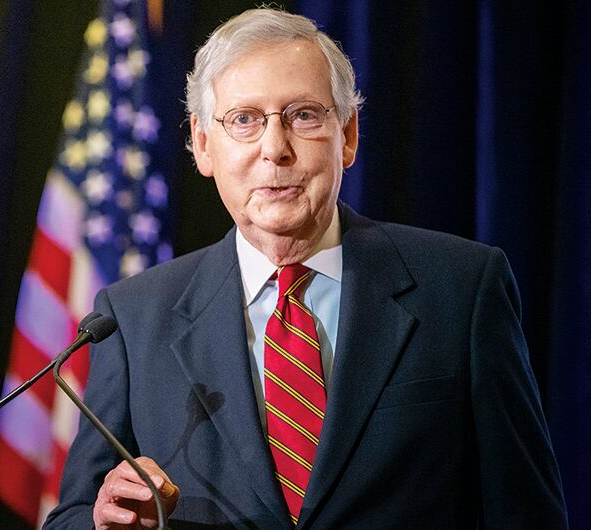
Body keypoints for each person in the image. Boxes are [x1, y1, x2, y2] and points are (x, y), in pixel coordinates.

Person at [42, 7, 567, 530]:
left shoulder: (462, 288)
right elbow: (69, 518)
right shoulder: (132, 318)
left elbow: (527, 512)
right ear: (203, 144)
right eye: (244, 120)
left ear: (349, 135)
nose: (275, 149)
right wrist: (101, 522)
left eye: (303, 116)